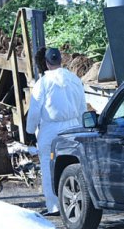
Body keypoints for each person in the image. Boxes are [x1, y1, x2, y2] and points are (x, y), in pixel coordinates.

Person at [26, 47, 86, 215]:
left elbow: (35, 111)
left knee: (48, 166)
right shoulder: (74, 79)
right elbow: (82, 106)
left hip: (51, 129)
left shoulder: (43, 83)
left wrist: (30, 131)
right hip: (74, 127)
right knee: (73, 165)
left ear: (46, 63)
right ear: (61, 61)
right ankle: (74, 202)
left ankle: (54, 206)